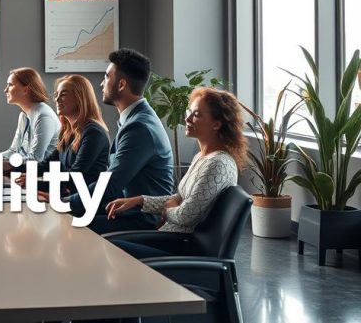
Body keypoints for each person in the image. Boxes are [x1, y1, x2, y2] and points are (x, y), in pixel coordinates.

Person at [105, 87, 246, 258]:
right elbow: (179, 199)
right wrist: (139, 201)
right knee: (107, 243)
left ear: (216, 124)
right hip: (172, 238)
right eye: (189, 112)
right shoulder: (202, 157)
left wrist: (168, 211)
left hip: (183, 247)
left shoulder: (218, 164)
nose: (187, 118)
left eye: (197, 115)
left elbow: (187, 215)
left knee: (110, 249)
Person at [70, 48, 174, 233]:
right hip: (122, 209)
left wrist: (62, 203)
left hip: (140, 219)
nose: (102, 84)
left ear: (121, 85)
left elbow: (110, 185)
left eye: (107, 77)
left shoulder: (139, 127)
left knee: (69, 224)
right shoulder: (135, 119)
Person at [14, 75, 109, 203]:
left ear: (80, 98)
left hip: (82, 203)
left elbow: (75, 177)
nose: (57, 99)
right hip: (65, 196)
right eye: (56, 94)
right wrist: (10, 167)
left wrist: (34, 183)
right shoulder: (67, 131)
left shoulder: (94, 133)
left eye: (63, 94)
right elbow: (47, 164)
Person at [0, 67, 61, 177]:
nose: (5, 90)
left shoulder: (43, 116)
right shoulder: (24, 115)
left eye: (10, 85)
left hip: (42, 177)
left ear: (25, 90)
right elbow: (14, 150)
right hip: (25, 173)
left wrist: (6, 164)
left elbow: (36, 159)